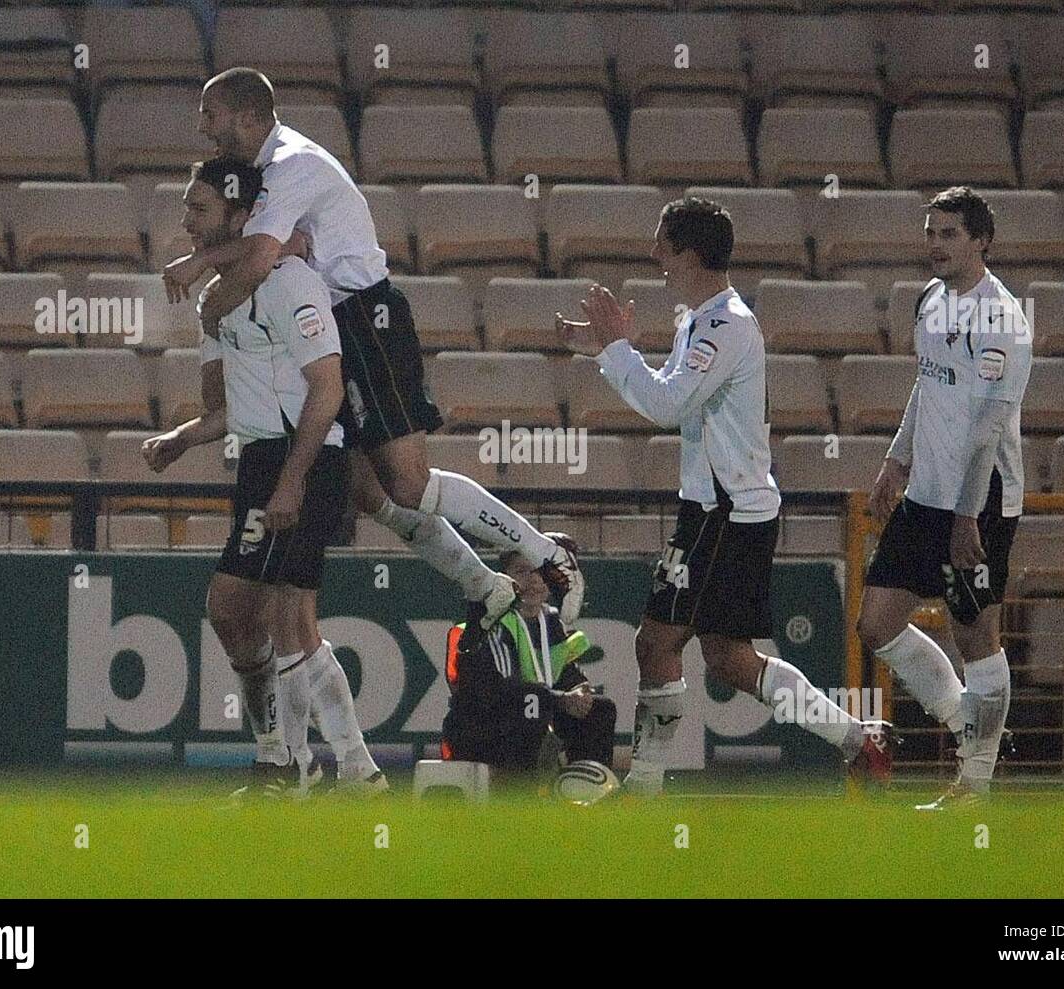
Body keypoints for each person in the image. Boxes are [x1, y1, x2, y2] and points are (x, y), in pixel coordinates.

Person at [161, 67, 584, 627]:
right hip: (334, 320)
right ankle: (487, 587)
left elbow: (261, 257)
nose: (204, 129)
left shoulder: (291, 164)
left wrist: (207, 280)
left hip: (366, 317)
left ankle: (547, 555)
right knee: (367, 488)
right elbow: (289, 243)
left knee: (409, 482)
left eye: (210, 116)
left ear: (247, 115)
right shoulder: (263, 172)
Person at [557, 196, 894, 797]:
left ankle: (647, 791)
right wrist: (606, 355)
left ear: (688, 251)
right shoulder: (706, 319)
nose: (654, 255)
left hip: (723, 512)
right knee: (730, 660)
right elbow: (668, 392)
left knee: (656, 642)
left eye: (662, 242)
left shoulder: (723, 324)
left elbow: (665, 405)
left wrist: (614, 350)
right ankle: (856, 741)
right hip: (728, 508)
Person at [142, 155, 385, 797]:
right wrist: (182, 438)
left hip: (307, 458)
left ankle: (307, 767)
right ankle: (312, 761)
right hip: (257, 462)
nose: (187, 222)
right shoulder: (213, 303)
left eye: (199, 209)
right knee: (231, 610)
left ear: (241, 215)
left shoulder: (292, 283)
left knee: (287, 617)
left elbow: (326, 390)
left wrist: (293, 480)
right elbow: (222, 411)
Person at [856, 187, 1033, 810]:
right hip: (926, 491)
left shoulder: (1002, 319)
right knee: (875, 623)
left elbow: (988, 423)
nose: (935, 244)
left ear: (981, 241)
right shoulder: (931, 300)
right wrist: (897, 458)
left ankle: (975, 784)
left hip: (979, 502)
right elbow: (926, 384)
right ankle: (970, 725)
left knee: (976, 637)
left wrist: (966, 515)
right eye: (931, 233)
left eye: (949, 234)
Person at [442, 552, 617, 776]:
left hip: (536, 709)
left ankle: (584, 789)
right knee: (530, 707)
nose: (533, 580)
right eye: (522, 572)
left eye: (540, 571)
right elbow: (506, 691)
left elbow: (565, 672)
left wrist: (579, 691)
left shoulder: (551, 621)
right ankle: (522, 795)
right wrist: (560, 700)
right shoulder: (492, 621)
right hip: (480, 725)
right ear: (503, 578)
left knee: (599, 709)